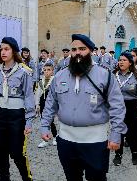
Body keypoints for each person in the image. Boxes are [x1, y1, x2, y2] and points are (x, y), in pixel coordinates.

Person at [41, 34, 127, 181]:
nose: (77, 53)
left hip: (95, 142)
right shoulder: (60, 76)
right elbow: (51, 103)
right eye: (74, 49)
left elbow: (117, 107)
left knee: (97, 178)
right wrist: (44, 125)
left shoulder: (104, 75)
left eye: (82, 49)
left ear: (91, 51)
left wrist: (116, 133)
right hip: (66, 141)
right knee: (72, 178)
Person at [0, 37, 35, 181]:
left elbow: (29, 96)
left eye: (6, 49)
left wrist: (29, 121)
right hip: (0, 115)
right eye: (1, 49)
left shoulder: (23, 72)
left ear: (14, 51)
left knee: (17, 153)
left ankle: (27, 178)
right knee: (0, 153)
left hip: (17, 116)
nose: (3, 52)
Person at [112, 52, 137, 166]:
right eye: (120, 60)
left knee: (132, 132)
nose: (121, 62)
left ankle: (135, 152)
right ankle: (118, 154)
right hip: (117, 107)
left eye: (124, 60)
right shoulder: (113, 75)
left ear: (130, 62)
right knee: (118, 131)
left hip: (132, 106)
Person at [35, 63, 57, 148]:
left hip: (51, 103)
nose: (46, 72)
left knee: (51, 121)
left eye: (49, 70)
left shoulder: (55, 80)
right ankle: (45, 139)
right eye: (45, 70)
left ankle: (55, 137)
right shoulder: (41, 82)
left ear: (52, 71)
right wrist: (37, 104)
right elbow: (37, 94)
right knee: (43, 121)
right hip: (42, 102)